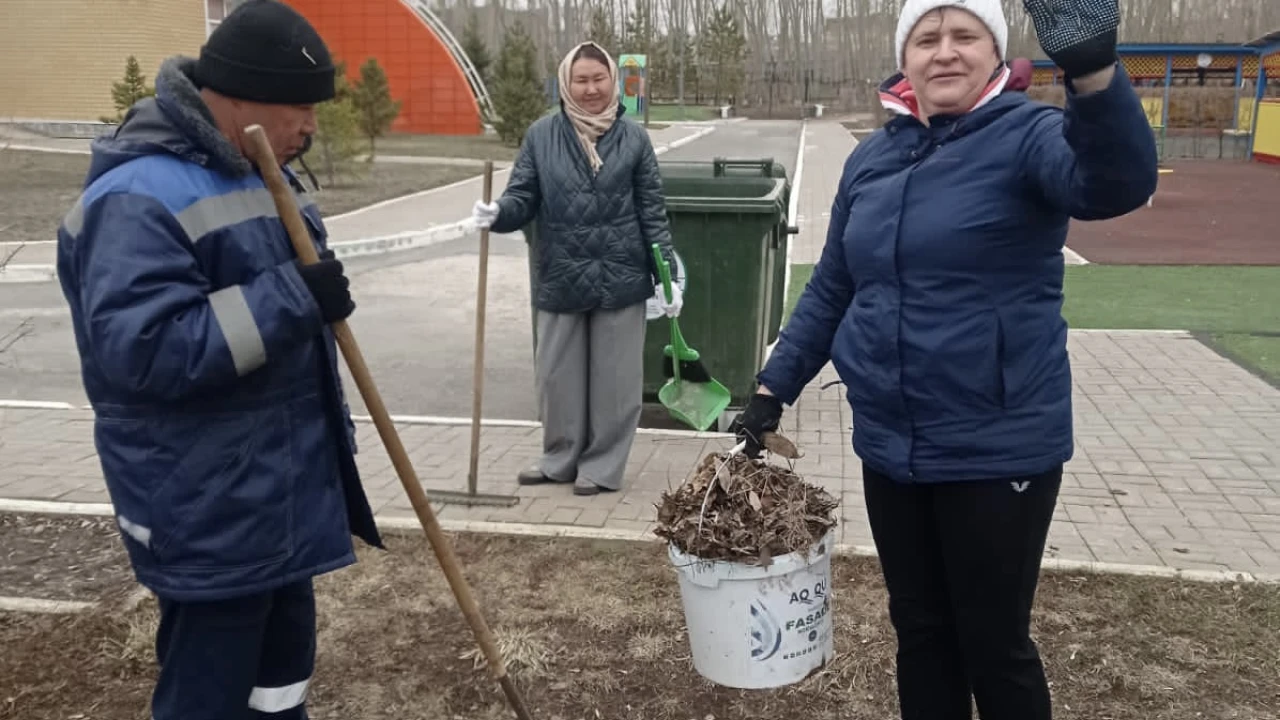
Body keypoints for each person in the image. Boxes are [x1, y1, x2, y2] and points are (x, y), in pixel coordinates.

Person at [731, 0, 1157, 718]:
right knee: (921, 632)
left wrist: (1092, 72)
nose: (945, 51)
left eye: (966, 35)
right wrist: (774, 386)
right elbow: (835, 283)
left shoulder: (1031, 136)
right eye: (927, 38)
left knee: (993, 644)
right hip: (893, 446)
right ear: (906, 59)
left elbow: (1115, 183)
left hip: (998, 445)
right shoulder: (874, 156)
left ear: (996, 52)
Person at [54, 1, 382, 717]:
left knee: (281, 682)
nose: (311, 124)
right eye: (299, 105)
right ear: (237, 93)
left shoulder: (262, 174)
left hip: (279, 498)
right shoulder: (137, 198)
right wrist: (295, 296)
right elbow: (145, 351)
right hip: (209, 509)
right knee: (206, 693)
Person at [470, 41, 683, 497]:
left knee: (615, 382)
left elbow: (652, 213)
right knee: (557, 377)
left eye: (598, 79)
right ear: (566, 82)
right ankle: (558, 458)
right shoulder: (542, 135)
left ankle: (602, 466)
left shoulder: (634, 139)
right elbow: (522, 196)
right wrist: (499, 213)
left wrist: (667, 272)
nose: (590, 89)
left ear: (612, 82)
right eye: (581, 80)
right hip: (561, 272)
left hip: (621, 275)